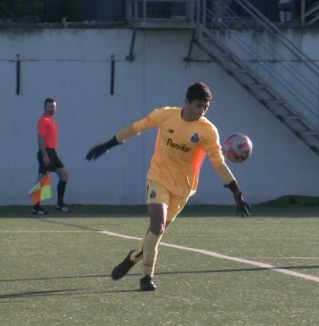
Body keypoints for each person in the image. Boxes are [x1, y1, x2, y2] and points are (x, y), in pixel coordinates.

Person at [85, 82, 251, 291]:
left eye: (205, 107)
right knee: (157, 225)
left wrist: (236, 191)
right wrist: (108, 144)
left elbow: (218, 163)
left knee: (156, 234)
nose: (201, 111)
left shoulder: (208, 131)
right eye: (198, 105)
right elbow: (137, 127)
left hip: (183, 188)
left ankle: (134, 256)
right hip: (158, 177)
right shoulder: (166, 115)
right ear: (186, 102)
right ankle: (147, 277)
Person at [33, 98, 72, 215]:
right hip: (46, 153)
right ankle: (36, 207)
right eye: (50, 106)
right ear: (45, 107)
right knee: (41, 181)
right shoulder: (43, 120)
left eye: (54, 106)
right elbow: (40, 140)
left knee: (64, 176)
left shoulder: (52, 120)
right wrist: (45, 155)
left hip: (53, 153)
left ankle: (59, 205)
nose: (52, 108)